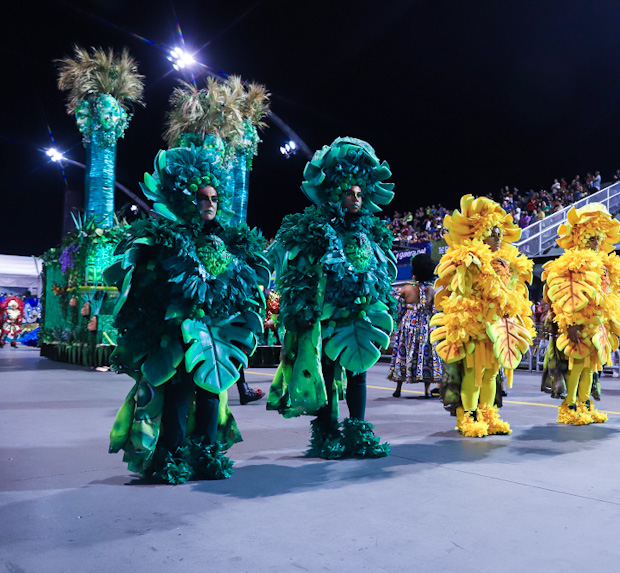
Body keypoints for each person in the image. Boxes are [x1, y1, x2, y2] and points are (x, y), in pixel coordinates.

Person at [106, 145, 269, 483]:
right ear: (187, 200)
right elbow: (147, 285)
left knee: (211, 395)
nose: (209, 204)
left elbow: (236, 288)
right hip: (178, 334)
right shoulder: (168, 239)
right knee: (177, 397)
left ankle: (208, 456)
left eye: (213, 198)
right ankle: (171, 457)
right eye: (202, 198)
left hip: (215, 336)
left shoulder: (227, 243)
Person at [266, 137, 395, 459]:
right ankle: (326, 434)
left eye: (360, 193)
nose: (355, 198)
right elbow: (295, 270)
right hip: (326, 319)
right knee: (324, 374)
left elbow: (379, 275)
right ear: (335, 192)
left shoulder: (371, 233)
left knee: (358, 373)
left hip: (359, 319)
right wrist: (304, 308)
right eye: (349, 192)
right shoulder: (315, 229)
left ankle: (358, 432)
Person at [431, 195, 534, 437]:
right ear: (479, 233)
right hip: (474, 324)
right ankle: (468, 417)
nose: (497, 237)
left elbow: (515, 293)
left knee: (490, 374)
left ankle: (489, 415)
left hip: (499, 327)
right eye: (491, 231)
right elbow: (460, 290)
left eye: (499, 232)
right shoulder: (468, 258)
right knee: (474, 373)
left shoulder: (508, 262)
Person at [542, 203, 620, 424]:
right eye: (591, 239)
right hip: (578, 324)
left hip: (597, 325)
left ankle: (585, 405)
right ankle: (570, 407)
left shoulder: (605, 264)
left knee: (591, 368)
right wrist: (571, 324)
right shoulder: (570, 264)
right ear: (580, 239)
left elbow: (611, 294)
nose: (596, 243)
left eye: (598, 239)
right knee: (576, 366)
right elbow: (562, 296)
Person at [388, 253, 442, 398]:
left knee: (404, 352)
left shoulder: (406, 289)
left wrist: (397, 323)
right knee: (426, 354)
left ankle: (398, 388)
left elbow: (399, 311)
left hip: (409, 325)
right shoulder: (431, 290)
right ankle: (426, 390)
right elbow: (434, 311)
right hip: (425, 325)